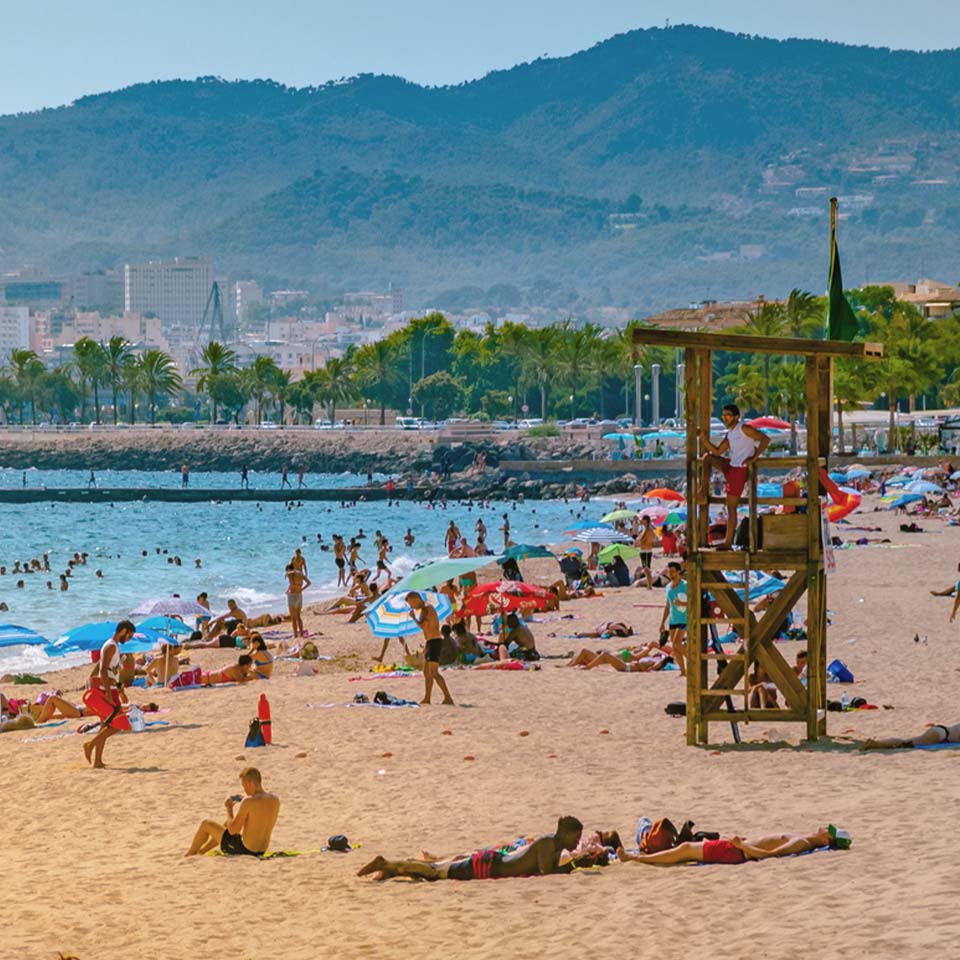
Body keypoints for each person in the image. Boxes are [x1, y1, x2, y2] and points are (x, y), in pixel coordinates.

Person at [357, 816, 583, 881]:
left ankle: (392, 868)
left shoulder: (554, 846)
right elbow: (546, 873)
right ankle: (385, 864)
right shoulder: (546, 844)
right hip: (488, 865)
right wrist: (576, 864)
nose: (576, 842)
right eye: (575, 837)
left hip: (492, 863)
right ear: (564, 833)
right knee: (435, 873)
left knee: (438, 870)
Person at [700, 404, 770, 549]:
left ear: (736, 417)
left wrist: (754, 457)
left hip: (739, 470)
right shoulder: (730, 432)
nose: (725, 418)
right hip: (731, 464)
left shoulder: (744, 428)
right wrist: (704, 441)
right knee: (707, 457)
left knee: (731, 507)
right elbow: (718, 451)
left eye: (728, 415)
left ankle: (728, 542)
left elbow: (765, 439)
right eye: (723, 415)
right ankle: (703, 489)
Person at [617, 826, 839, 866]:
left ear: (826, 840)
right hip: (737, 848)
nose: (821, 827)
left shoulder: (800, 842)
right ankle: (637, 857)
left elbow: (771, 856)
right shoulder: (802, 839)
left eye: (826, 830)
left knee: (684, 849)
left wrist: (741, 845)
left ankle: (636, 858)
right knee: (685, 848)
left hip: (736, 852)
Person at [186, 767, 280, 857]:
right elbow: (259, 807)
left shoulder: (248, 801)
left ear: (250, 783)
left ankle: (190, 854)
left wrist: (229, 808)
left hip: (244, 850)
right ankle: (202, 851)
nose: (244, 789)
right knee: (226, 824)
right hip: (261, 851)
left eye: (244, 786)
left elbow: (233, 831)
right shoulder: (275, 799)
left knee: (206, 824)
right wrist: (243, 798)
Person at [82, 620, 136, 769]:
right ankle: (89, 745)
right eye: (129, 636)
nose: (129, 639)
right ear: (123, 631)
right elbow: (104, 669)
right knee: (119, 724)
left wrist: (120, 690)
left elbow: (113, 673)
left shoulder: (115, 646)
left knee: (105, 725)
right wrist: (108, 693)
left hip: (110, 688)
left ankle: (97, 761)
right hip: (106, 690)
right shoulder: (111, 646)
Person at [407, 591, 454, 705]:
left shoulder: (426, 609)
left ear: (416, 599)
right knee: (427, 672)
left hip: (434, 642)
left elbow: (423, 626)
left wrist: (413, 617)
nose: (411, 606)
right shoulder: (426, 608)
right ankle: (427, 698)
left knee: (434, 672)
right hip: (430, 642)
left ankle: (448, 697)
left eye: (411, 603)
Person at [659, 562, 688, 675]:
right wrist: (662, 622)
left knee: (677, 643)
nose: (671, 574)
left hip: (685, 619)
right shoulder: (668, 587)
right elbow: (668, 605)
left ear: (678, 571)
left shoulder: (685, 585)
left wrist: (681, 603)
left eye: (673, 572)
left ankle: (692, 661)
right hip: (673, 620)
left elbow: (694, 602)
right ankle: (683, 671)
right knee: (675, 648)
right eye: (669, 572)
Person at [860, 721, 960, 750]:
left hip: (940, 731)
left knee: (906, 741)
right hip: (940, 735)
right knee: (906, 743)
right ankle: (876, 744)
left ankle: (878, 743)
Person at [286, 562, 311, 640]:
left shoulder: (290, 574)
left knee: (293, 618)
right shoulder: (300, 573)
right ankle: (301, 634)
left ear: (288, 569)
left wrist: (288, 591)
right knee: (298, 617)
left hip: (292, 596)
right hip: (299, 595)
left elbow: (292, 584)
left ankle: (295, 635)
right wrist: (301, 589)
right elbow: (309, 583)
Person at [636, 516, 655, 589]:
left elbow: (648, 540)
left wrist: (641, 540)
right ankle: (648, 584)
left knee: (647, 568)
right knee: (645, 568)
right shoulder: (645, 529)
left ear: (646, 521)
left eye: (643, 519)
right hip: (644, 550)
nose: (641, 521)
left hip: (646, 550)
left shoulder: (648, 530)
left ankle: (649, 585)